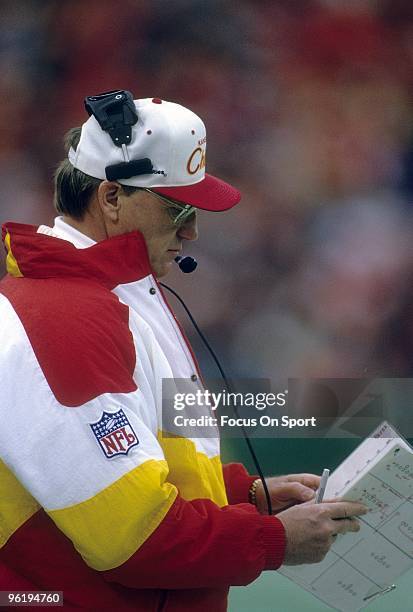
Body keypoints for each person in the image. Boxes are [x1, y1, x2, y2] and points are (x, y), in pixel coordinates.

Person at [0, 90, 366, 611]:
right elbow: (132, 539)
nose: (192, 232)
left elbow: (142, 466)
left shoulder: (112, 296)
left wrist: (244, 496)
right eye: (177, 210)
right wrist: (272, 539)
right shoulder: (64, 318)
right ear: (110, 198)